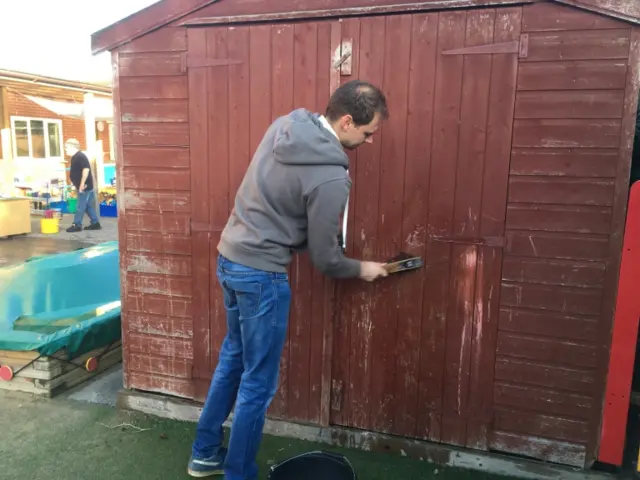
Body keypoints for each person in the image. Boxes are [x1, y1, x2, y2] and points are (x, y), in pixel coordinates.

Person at [188, 80, 390, 479]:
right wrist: (363, 268)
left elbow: (277, 201)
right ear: (347, 121)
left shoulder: (285, 126)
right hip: (262, 274)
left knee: (233, 358)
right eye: (367, 133)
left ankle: (205, 453)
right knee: (258, 383)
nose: (368, 142)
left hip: (229, 258)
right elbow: (327, 260)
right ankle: (239, 474)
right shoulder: (332, 177)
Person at [64, 139, 101, 233]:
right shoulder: (75, 157)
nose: (65, 150)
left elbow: (86, 169)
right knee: (88, 206)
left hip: (84, 186)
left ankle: (77, 225)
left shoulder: (80, 156)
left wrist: (81, 184)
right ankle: (95, 223)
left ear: (73, 147)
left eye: (66, 147)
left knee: (80, 206)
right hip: (84, 185)